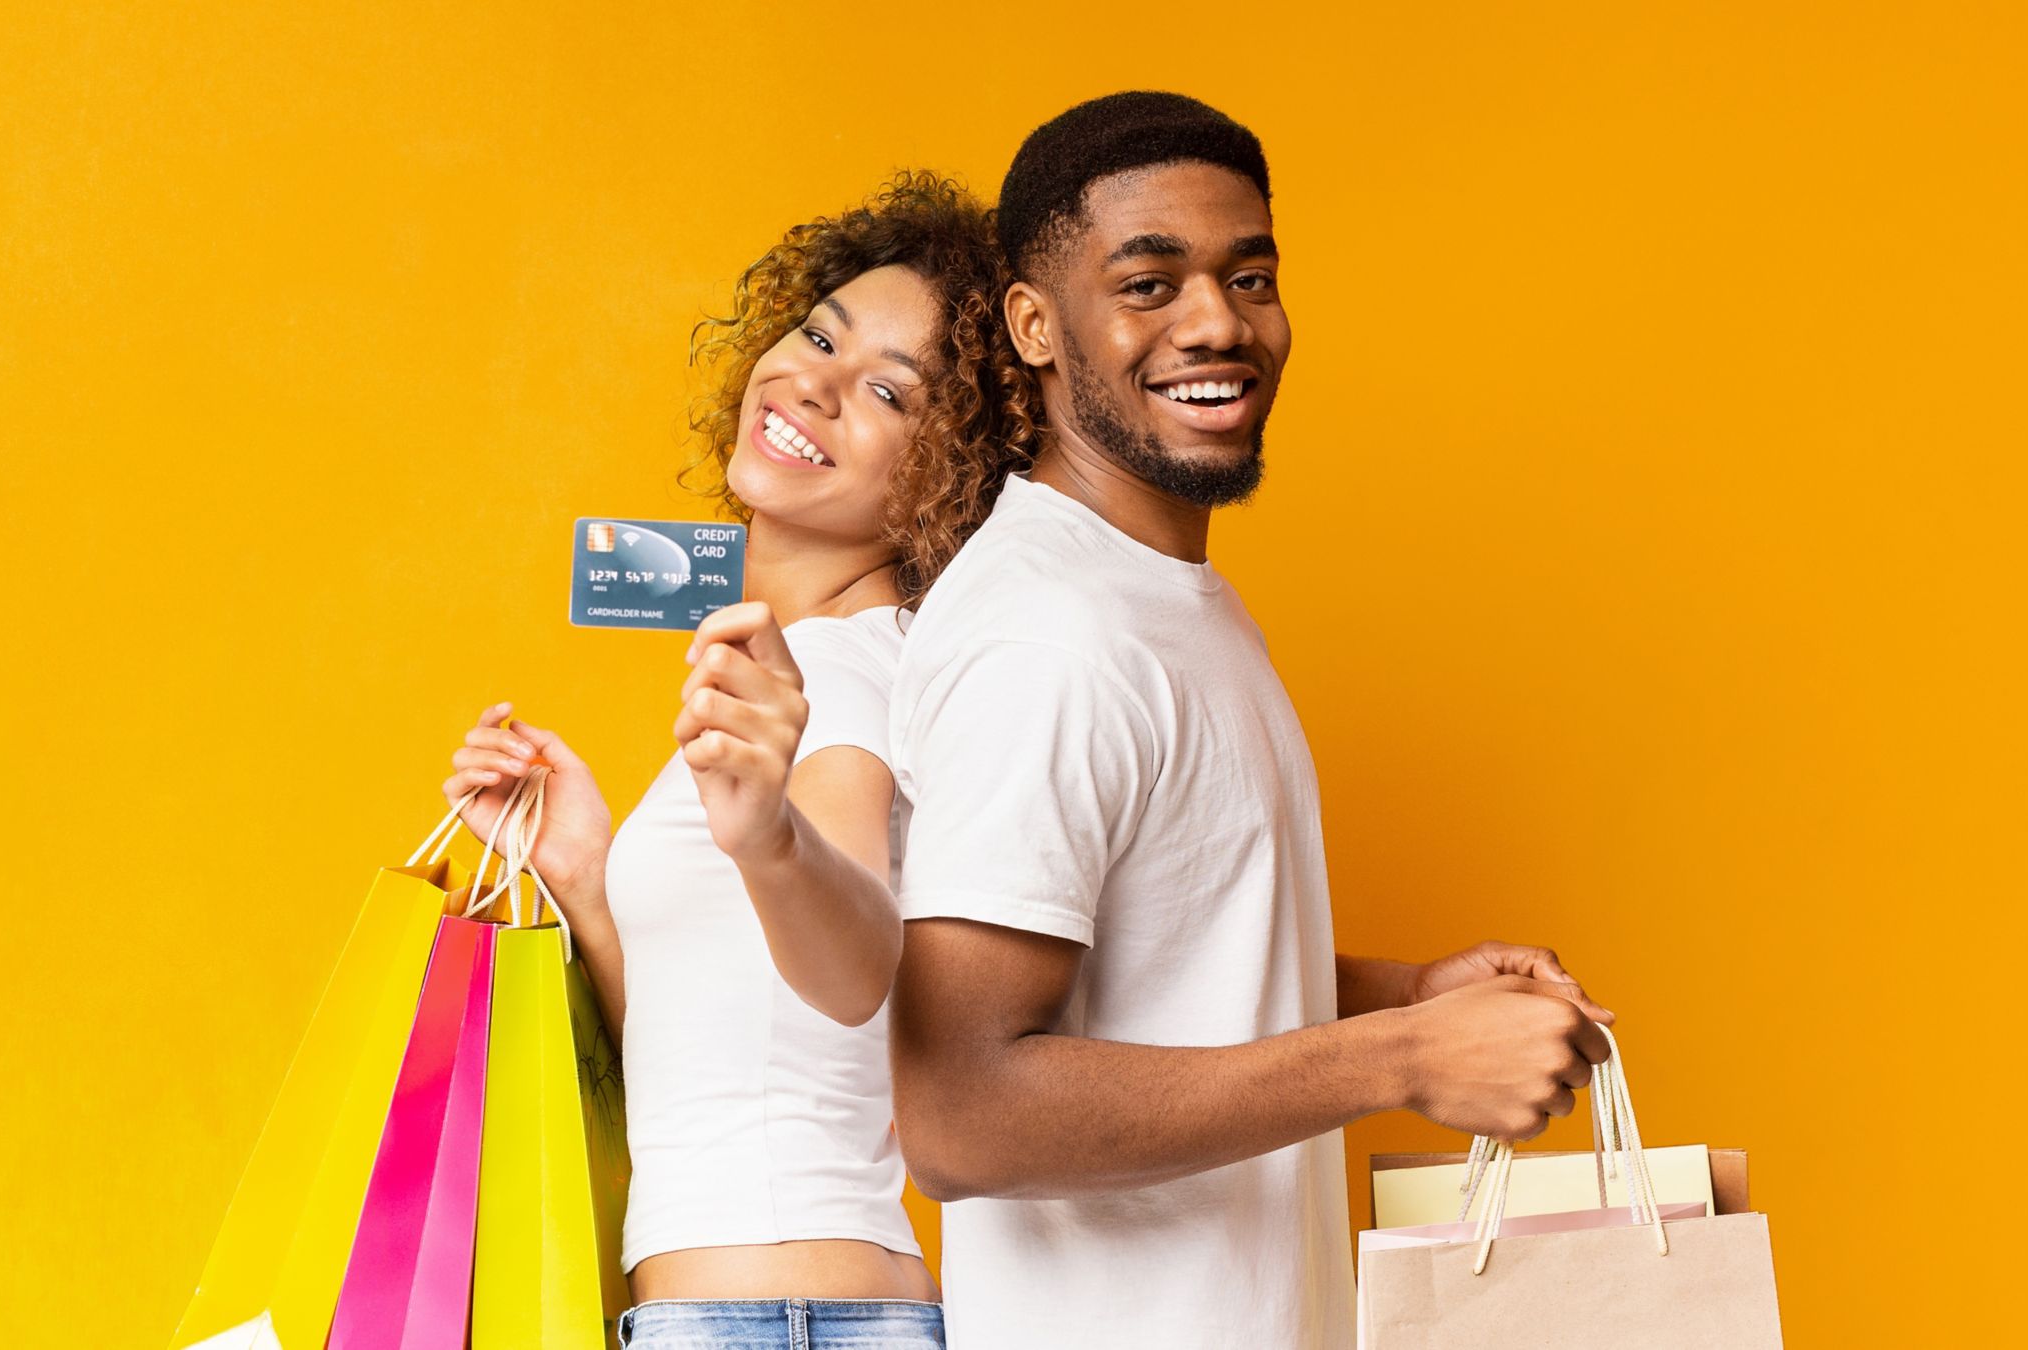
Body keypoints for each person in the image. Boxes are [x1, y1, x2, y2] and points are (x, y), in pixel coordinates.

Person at [883, 92, 1618, 1349]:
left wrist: (1409, 1000)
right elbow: (963, 1112)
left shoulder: (1160, 600)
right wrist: (1400, 1062)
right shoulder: (1053, 637)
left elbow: (1157, 954)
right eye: (1150, 284)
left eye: (1251, 274)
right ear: (1034, 324)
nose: (1219, 324)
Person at [440, 172, 1033, 1350]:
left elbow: (858, 962)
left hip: (777, 1324)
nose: (811, 382)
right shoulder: (807, 662)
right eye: (818, 335)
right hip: (764, 1313)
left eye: (885, 392)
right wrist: (590, 880)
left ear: (948, 475)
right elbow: (711, 1050)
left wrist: (767, 832)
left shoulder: (846, 674)